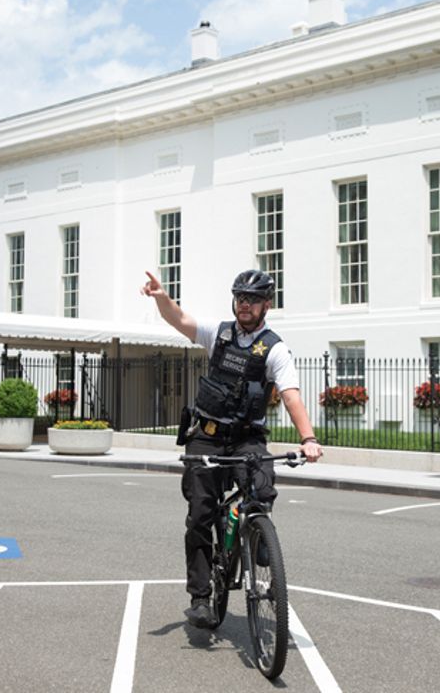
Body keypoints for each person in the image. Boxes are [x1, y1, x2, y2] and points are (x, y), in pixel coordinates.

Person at [142, 268, 323, 629]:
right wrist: (162, 298)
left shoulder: (275, 349)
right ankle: (201, 596)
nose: (245, 304)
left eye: (253, 300)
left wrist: (308, 439)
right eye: (240, 297)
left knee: (261, 484)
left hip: (246, 437)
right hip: (207, 434)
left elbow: (291, 396)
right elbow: (179, 320)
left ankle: (258, 534)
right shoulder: (219, 334)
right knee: (200, 515)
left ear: (266, 305)